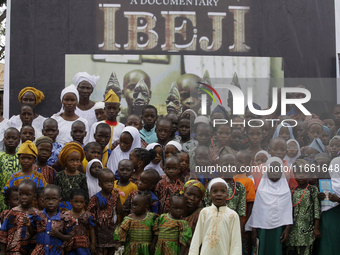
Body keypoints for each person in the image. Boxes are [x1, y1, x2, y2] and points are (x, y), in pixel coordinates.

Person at [246, 157, 293, 255]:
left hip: (279, 229)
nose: (275, 172)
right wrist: (254, 230)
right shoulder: (261, 190)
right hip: (262, 228)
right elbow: (256, 211)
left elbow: (288, 211)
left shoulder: (285, 191)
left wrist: (287, 229)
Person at [189, 178, 242, 255]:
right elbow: (197, 237)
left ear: (227, 195)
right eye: (215, 191)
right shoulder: (204, 212)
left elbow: (236, 242)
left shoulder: (233, 215)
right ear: (209, 195)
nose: (219, 194)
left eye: (223, 191)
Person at [27, 184, 76, 255]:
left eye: (54, 199)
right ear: (43, 200)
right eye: (47, 199)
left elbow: (70, 237)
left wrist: (59, 235)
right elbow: (32, 234)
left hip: (56, 252)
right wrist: (29, 226)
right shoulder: (37, 216)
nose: (50, 202)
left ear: (59, 201)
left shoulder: (64, 218)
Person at [285, 159, 321, 255]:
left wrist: (316, 227)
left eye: (305, 173)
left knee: (304, 251)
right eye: (298, 173)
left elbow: (317, 209)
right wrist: (287, 228)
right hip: (293, 230)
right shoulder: (292, 191)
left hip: (307, 230)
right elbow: (288, 211)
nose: (301, 175)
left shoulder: (312, 190)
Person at [86, 169, 122, 254]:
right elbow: (90, 219)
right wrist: (93, 242)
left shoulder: (114, 197)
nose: (110, 184)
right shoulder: (95, 198)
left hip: (112, 235)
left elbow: (120, 211)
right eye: (106, 182)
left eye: (111, 182)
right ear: (100, 184)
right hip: (99, 237)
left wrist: (119, 198)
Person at [0, 180, 39, 254]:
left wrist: (29, 226)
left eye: (27, 195)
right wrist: (2, 251)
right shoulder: (12, 212)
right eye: (21, 194)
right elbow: (3, 232)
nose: (24, 197)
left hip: (30, 250)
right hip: (13, 250)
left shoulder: (36, 214)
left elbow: (37, 233)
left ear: (34, 196)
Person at [316, 157, 340, 255]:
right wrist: (320, 196)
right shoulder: (326, 184)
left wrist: (338, 200)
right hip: (330, 217)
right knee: (329, 242)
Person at [54, 142, 88, 211]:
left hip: (77, 209)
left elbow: (85, 196)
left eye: (77, 160)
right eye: (71, 160)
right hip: (61, 209)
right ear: (65, 161)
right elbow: (55, 194)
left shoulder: (82, 176)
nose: (75, 163)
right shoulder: (59, 175)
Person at [64, 189, 96, 255]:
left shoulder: (88, 215)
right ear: (70, 202)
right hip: (70, 244)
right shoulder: (65, 215)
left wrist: (93, 244)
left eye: (81, 202)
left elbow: (91, 229)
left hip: (83, 244)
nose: (78, 204)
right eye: (76, 202)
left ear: (84, 203)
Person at [0, 128, 21, 212]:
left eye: (14, 138)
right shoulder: (1, 156)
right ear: (3, 139)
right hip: (2, 196)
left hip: (18, 196)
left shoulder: (21, 156)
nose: (10, 140)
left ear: (19, 140)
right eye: (7, 138)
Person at [182, 180, 205, 249]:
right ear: (183, 193)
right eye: (189, 194)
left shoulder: (201, 214)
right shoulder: (174, 210)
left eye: (197, 196)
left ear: (201, 199)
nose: (192, 198)